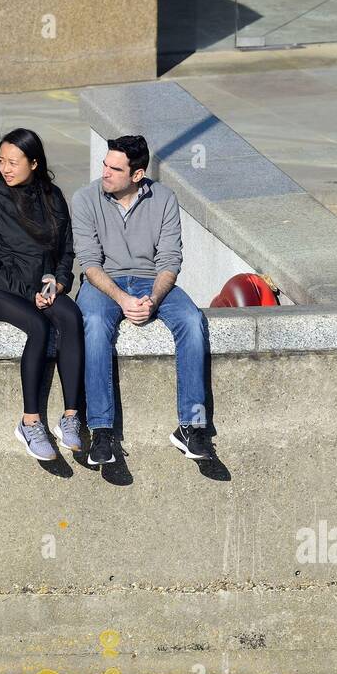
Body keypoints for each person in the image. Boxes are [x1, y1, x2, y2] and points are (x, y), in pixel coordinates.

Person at [72, 135, 213, 467]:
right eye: (105, 164)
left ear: (137, 175)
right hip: (104, 282)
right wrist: (123, 300)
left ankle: (191, 427)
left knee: (193, 321)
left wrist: (151, 299)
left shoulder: (163, 198)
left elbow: (170, 261)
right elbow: (90, 264)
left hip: (152, 281)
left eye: (114, 168)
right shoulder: (85, 199)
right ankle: (102, 431)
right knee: (93, 324)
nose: (104, 172)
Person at [0, 128, 83, 460]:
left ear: (34, 163)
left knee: (72, 317)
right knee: (39, 325)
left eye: (14, 162)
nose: (5, 168)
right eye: (2, 161)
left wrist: (55, 286)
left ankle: (71, 417)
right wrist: (28, 292)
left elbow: (65, 250)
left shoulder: (52, 196)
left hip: (42, 285)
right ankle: (30, 422)